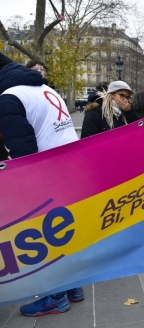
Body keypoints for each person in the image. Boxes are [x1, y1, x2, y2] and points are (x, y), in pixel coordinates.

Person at [0, 52, 85, 316]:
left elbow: (22, 151)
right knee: (64, 228)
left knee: (46, 232)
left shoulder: (8, 98)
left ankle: (56, 297)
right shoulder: (43, 87)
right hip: (69, 166)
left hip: (47, 172)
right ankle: (74, 287)